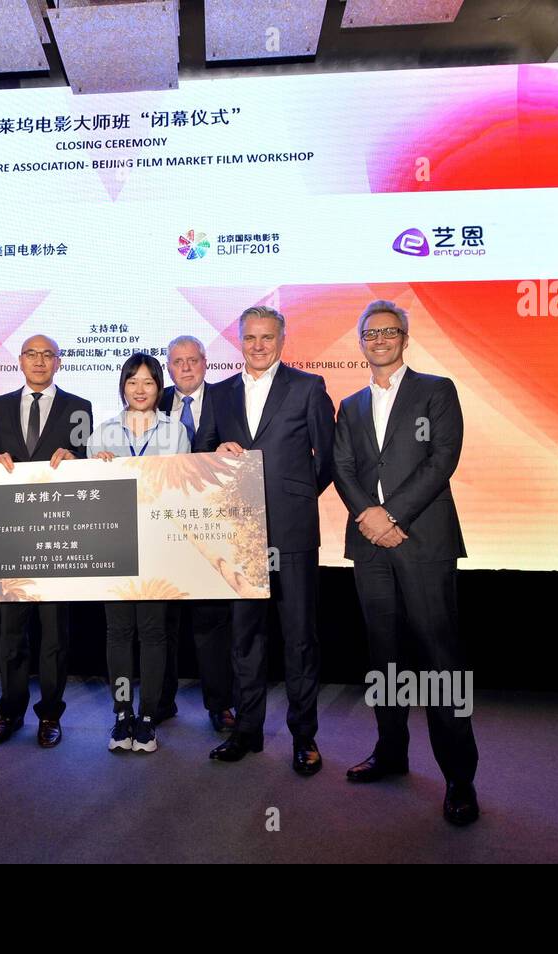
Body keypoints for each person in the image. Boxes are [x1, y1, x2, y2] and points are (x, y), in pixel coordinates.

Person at [332, 299, 480, 826]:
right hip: (368, 546)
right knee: (384, 657)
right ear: (360, 341)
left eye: (390, 331)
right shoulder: (348, 404)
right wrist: (369, 518)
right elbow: (343, 465)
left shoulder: (437, 390)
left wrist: (391, 514)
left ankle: (460, 778)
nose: (380, 339)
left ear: (405, 337)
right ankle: (391, 753)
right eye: (371, 333)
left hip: (423, 542)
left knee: (441, 662)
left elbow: (444, 459)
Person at [198, 305, 334, 776]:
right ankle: (247, 731)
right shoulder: (219, 393)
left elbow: (327, 459)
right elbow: (201, 452)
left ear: (282, 339)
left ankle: (304, 737)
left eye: (267, 337)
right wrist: (215, 452)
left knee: (299, 639)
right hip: (239, 533)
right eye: (250, 337)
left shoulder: (308, 387)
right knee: (245, 638)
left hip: (293, 532)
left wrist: (293, 497)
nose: (258, 345)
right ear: (239, 339)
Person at [0, 334, 92, 748]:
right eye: (32, 354)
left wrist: (79, 461)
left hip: (59, 535)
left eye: (48, 354)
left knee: (54, 634)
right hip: (9, 536)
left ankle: (50, 716)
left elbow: (90, 465)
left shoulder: (80, 407)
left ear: (59, 362)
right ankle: (9, 712)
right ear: (20, 361)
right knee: (11, 633)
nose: (40, 361)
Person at [88, 353, 189, 753]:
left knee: (152, 631)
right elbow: (89, 491)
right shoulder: (102, 431)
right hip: (113, 543)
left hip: (158, 543)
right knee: (118, 631)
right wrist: (98, 467)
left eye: (148, 382)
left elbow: (182, 484)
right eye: (133, 382)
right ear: (123, 386)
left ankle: (148, 716)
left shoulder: (175, 430)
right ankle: (121, 715)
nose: (140, 389)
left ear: (159, 388)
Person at [158, 335, 236, 733]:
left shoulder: (229, 398)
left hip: (212, 529)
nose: (185, 367)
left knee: (211, 622)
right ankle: (161, 701)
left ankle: (220, 704)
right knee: (163, 621)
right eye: (177, 361)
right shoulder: (152, 400)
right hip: (161, 527)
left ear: (205, 363)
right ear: (168, 366)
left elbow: (244, 449)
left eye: (193, 360)